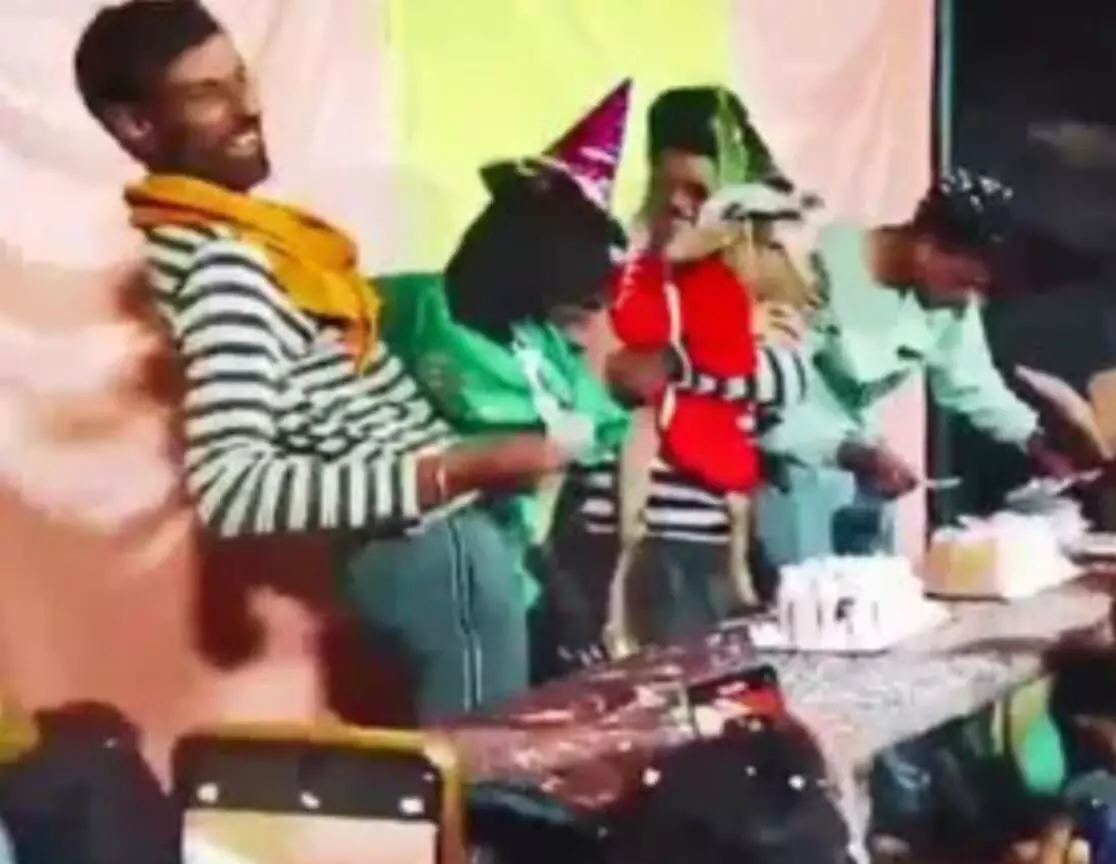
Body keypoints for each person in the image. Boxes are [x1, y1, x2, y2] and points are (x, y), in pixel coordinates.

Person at [75, 0, 570, 720]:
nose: (249, 107)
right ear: (136, 126)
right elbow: (231, 488)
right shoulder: (225, 269)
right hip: (430, 546)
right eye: (208, 93)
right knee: (491, 774)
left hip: (447, 547)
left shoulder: (260, 246)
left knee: (517, 753)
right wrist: (459, 467)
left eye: (240, 79)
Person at [374, 83, 637, 680]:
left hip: (526, 564)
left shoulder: (536, 338)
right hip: (439, 554)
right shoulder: (418, 307)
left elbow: (591, 429)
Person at [563, 85, 812, 651]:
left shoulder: (759, 278)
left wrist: (674, 362)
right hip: (605, 538)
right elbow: (607, 374)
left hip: (701, 547)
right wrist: (700, 355)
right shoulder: (614, 270)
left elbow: (786, 380)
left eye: (697, 191)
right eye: (665, 185)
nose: (677, 204)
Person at [757, 168, 1075, 566]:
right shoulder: (813, 268)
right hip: (795, 474)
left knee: (876, 596)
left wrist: (1036, 439)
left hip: (869, 475)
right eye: (964, 281)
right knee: (806, 596)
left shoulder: (946, 302)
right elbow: (773, 395)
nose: (970, 302)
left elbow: (972, 382)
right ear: (927, 245)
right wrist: (850, 452)